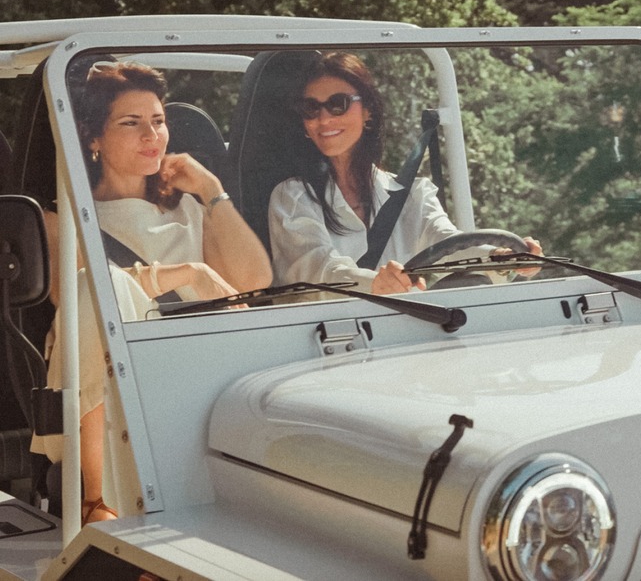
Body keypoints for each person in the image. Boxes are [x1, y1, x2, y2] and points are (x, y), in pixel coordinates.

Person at [33, 61, 272, 525]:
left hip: (197, 379)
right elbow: (89, 296)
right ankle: (93, 497)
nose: (152, 135)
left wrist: (211, 190)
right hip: (107, 393)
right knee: (91, 290)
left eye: (159, 121)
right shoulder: (61, 220)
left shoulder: (190, 211)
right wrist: (187, 273)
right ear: (93, 138)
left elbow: (254, 281)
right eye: (131, 123)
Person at [268, 52, 540, 294]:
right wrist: (375, 283)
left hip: (405, 326)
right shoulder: (293, 197)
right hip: (329, 331)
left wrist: (501, 256)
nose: (324, 119)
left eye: (338, 104)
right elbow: (316, 269)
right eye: (311, 108)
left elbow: (447, 243)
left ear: (368, 111)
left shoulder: (412, 194)